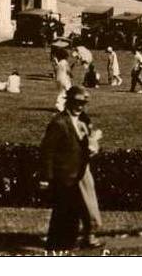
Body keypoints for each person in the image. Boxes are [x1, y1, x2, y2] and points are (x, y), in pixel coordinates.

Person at [39, 87, 103, 251]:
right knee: (61, 210)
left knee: (74, 210)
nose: (80, 106)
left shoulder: (84, 119)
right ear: (69, 101)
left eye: (83, 103)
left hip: (79, 171)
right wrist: (46, 177)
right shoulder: (59, 122)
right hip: (64, 173)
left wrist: (93, 141)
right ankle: (55, 245)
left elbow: (88, 140)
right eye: (77, 103)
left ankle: (68, 243)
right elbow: (47, 151)